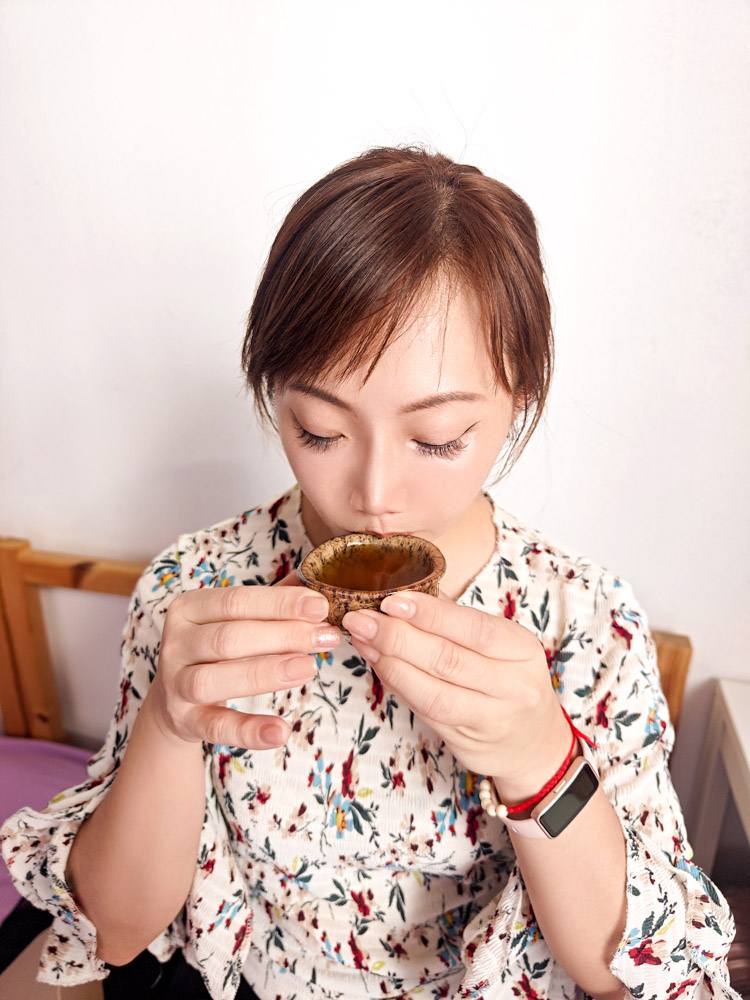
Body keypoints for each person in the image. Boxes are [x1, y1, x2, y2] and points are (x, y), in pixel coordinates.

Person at [0, 147, 739, 1000]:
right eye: (319, 430)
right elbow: (114, 933)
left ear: (520, 398)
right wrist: (169, 728)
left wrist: (540, 758)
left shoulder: (584, 620)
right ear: (275, 395)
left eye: (437, 441)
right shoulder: (197, 586)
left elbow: (629, 977)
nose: (374, 496)